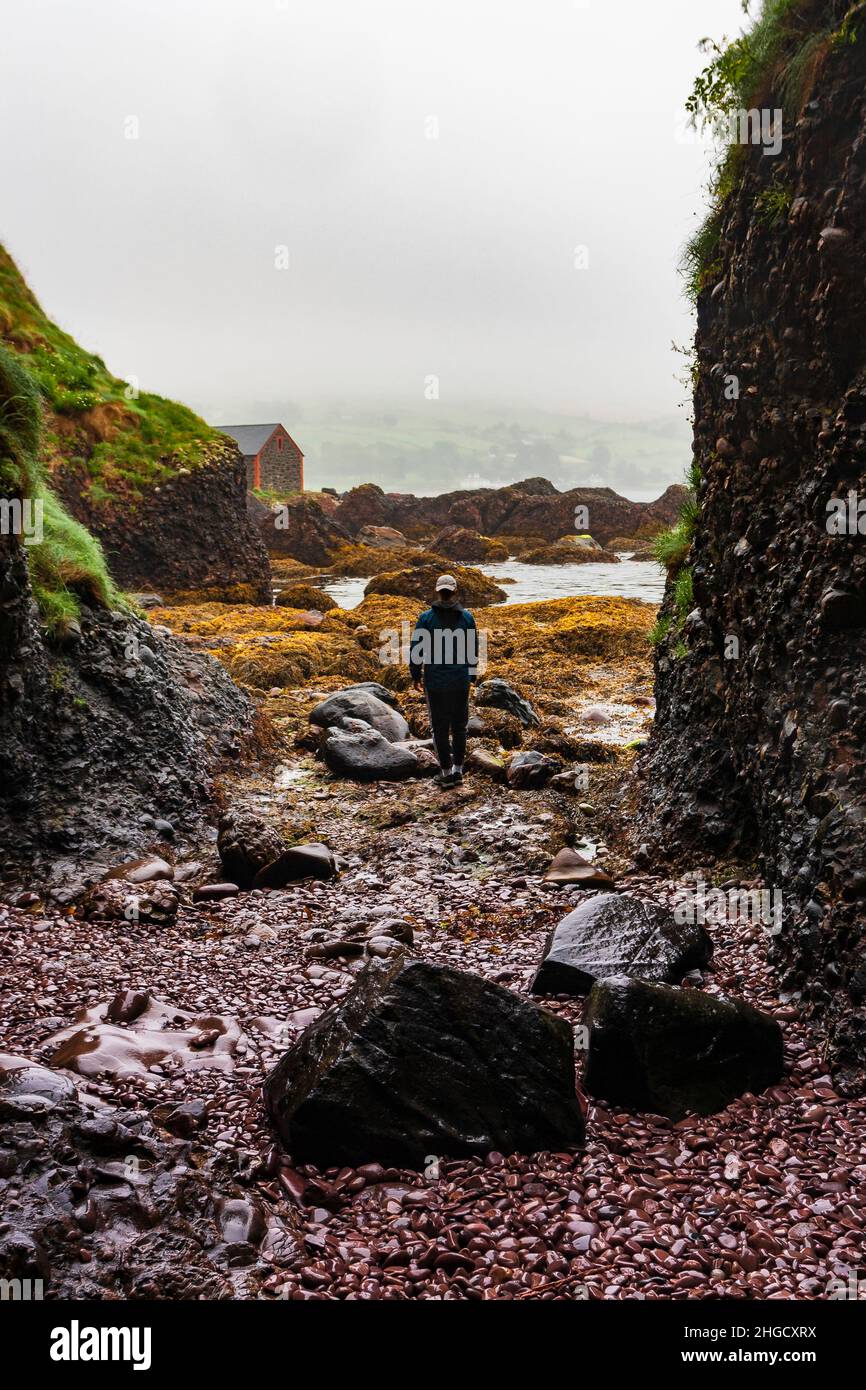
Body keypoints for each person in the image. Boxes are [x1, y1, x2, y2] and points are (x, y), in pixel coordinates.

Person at [409, 574, 479, 787]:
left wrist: (415, 675)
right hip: (460, 680)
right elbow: (473, 648)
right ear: (454, 591)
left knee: (439, 727)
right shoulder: (467, 618)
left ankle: (446, 772)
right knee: (460, 726)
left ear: (438, 591)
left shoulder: (426, 618)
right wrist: (472, 675)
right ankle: (458, 771)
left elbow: (416, 650)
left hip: (436, 682)